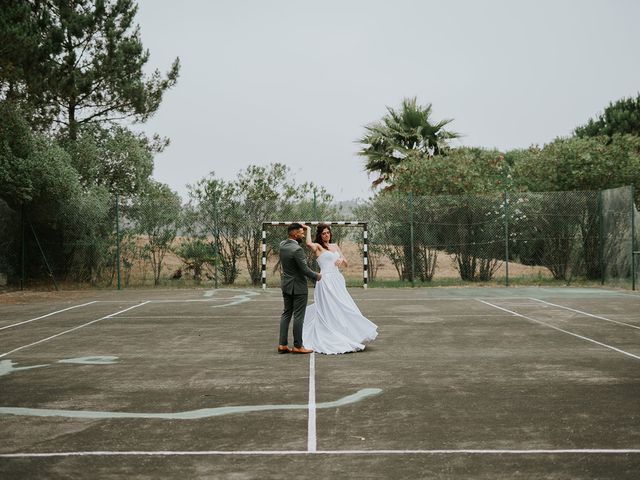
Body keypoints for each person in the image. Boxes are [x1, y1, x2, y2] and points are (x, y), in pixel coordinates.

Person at [302, 223, 378, 354]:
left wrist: (341, 261)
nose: (326, 235)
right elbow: (308, 243)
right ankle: (331, 333)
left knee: (344, 306)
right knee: (330, 307)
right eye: (324, 233)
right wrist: (308, 229)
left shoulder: (335, 246)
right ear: (320, 235)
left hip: (337, 280)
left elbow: (346, 263)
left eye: (328, 232)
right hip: (325, 280)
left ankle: (349, 334)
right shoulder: (318, 247)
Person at [278, 223, 322, 354]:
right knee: (298, 316)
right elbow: (304, 270)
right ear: (295, 234)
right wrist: (317, 276)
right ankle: (298, 345)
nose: (303, 235)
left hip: (286, 285)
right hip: (298, 287)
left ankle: (282, 344)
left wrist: (303, 227)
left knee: (286, 314)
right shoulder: (297, 250)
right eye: (301, 233)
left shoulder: (282, 245)